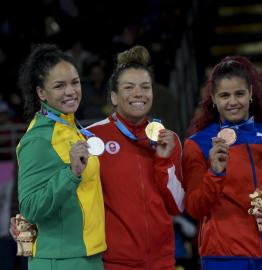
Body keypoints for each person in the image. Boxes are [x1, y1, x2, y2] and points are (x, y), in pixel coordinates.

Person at [183, 56, 262, 269]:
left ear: (250, 93)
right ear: (213, 98)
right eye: (224, 95)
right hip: (224, 257)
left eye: (239, 93)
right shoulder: (198, 144)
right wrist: (215, 172)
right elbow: (195, 208)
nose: (233, 102)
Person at [87, 45, 184, 270]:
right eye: (128, 87)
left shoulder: (169, 139)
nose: (138, 93)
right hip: (114, 262)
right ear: (114, 96)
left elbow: (177, 205)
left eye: (145, 87)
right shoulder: (92, 138)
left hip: (163, 262)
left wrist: (163, 159)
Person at [16, 44, 106, 269]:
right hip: (60, 260)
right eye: (59, 86)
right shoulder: (38, 139)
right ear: (41, 93)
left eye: (75, 82)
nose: (70, 91)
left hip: (89, 256)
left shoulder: (72, 129)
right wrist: (71, 173)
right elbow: (29, 207)